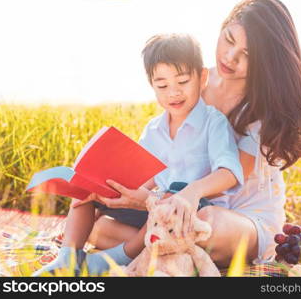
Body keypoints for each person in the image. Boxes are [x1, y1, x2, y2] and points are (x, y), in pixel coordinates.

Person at [87, 0, 301, 268]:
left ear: (266, 62)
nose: (230, 57)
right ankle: (170, 253)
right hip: (180, 207)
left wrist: (156, 201)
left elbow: (230, 180)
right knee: (100, 228)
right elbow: (169, 150)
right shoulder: (192, 80)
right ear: (222, 28)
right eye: (229, 39)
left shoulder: (262, 109)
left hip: (239, 220)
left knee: (207, 222)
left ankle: (158, 251)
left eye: (247, 54)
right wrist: (132, 193)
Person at [32, 33, 244, 276]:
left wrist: (189, 193)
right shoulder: (154, 129)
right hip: (151, 205)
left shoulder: (213, 122)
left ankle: (111, 259)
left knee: (168, 200)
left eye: (183, 81)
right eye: (162, 85)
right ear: (152, 85)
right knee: (87, 189)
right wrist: (109, 191)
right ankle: (67, 257)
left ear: (202, 77)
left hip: (187, 211)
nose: (173, 93)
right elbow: (142, 178)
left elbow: (229, 173)